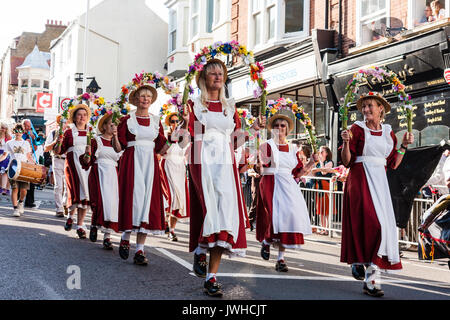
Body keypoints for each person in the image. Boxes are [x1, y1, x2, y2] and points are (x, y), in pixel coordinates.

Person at [177, 58, 265, 297]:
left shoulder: (230, 107)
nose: (217, 77)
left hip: (225, 161)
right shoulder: (194, 105)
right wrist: (184, 126)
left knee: (225, 213)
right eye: (213, 73)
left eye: (221, 73)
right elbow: (186, 141)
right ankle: (199, 250)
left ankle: (211, 277)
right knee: (210, 210)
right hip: (201, 158)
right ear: (204, 78)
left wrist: (254, 129)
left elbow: (235, 140)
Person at [340, 92, 414, 297]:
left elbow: (393, 164)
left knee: (385, 227)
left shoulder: (389, 132)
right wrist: (346, 142)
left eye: (369, 106)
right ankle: (359, 261)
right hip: (360, 180)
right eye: (363, 107)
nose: (365, 110)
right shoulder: (356, 128)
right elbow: (346, 161)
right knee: (373, 224)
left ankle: (371, 280)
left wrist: (404, 146)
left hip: (379, 183)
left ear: (381, 108)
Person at [114, 82, 170, 266]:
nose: (145, 99)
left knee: (148, 201)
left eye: (148, 96)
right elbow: (118, 147)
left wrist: (176, 136)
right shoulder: (126, 120)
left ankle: (140, 250)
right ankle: (125, 236)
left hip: (150, 164)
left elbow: (163, 147)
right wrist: (114, 134)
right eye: (142, 96)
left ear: (152, 100)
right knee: (133, 199)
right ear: (136, 99)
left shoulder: (156, 121)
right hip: (132, 162)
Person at [256, 114, 318, 272]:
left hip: (288, 184)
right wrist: (258, 166)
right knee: (272, 215)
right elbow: (261, 167)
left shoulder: (292, 149)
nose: (279, 128)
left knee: (289, 216)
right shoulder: (266, 145)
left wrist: (312, 161)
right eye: (276, 125)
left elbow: (298, 173)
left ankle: (280, 258)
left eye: (283, 126)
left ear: (288, 130)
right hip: (270, 182)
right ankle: (267, 241)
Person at [81, 113, 121, 250]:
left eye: (115, 124)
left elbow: (122, 161)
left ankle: (107, 236)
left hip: (113, 175)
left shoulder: (118, 143)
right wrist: (87, 154)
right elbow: (87, 161)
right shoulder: (96, 140)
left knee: (112, 205)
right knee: (99, 203)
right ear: (104, 126)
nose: (113, 127)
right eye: (111, 124)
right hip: (99, 173)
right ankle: (94, 224)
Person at [54, 104, 92, 239]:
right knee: (74, 191)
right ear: (75, 117)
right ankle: (71, 216)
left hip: (86, 166)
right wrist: (58, 141)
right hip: (72, 166)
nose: (82, 117)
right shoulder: (69, 132)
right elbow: (58, 151)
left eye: (84, 115)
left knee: (85, 194)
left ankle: (80, 225)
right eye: (79, 115)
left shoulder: (90, 131)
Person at [160, 112, 190, 242]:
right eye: (172, 121)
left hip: (180, 168)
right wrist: (170, 139)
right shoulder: (165, 135)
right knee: (170, 196)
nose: (175, 123)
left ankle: (171, 229)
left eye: (178, 121)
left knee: (179, 199)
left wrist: (186, 122)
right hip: (167, 166)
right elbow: (160, 151)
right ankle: (165, 222)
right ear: (168, 123)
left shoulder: (185, 137)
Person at [5, 123, 34, 217]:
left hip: (24, 168)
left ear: (23, 132)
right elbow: (5, 155)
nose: (18, 133)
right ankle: (15, 209)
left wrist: (34, 164)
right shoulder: (9, 143)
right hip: (13, 168)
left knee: (24, 190)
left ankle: (20, 202)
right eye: (16, 131)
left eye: (20, 131)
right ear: (14, 132)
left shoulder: (26, 143)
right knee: (14, 188)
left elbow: (28, 156)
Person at [45, 115, 68, 217]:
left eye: (66, 121)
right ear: (58, 123)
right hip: (57, 159)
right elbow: (46, 148)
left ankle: (65, 203)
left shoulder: (71, 133)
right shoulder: (53, 133)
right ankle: (59, 209)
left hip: (68, 160)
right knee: (58, 186)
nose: (65, 124)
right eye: (62, 122)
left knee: (68, 186)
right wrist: (55, 142)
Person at [311, 146, 335, 235]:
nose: (320, 154)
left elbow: (324, 172)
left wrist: (320, 164)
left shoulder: (329, 162)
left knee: (327, 209)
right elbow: (313, 173)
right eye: (319, 152)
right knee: (320, 209)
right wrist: (318, 167)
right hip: (319, 186)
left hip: (326, 185)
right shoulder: (318, 163)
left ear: (327, 153)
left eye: (322, 152)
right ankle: (322, 228)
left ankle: (327, 229)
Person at [22, 119, 37, 208]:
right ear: (23, 126)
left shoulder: (33, 134)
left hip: (31, 159)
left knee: (31, 181)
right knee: (21, 180)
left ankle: (29, 201)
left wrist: (33, 139)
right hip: (22, 159)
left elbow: (36, 147)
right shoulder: (21, 134)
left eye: (29, 126)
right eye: (27, 126)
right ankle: (18, 200)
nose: (28, 128)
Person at [0, 122, 12, 196]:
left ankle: (5, 188)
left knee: (4, 172)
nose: (3, 130)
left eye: (5, 128)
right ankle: (2, 187)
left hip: (6, 154)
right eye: (2, 128)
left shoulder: (8, 137)